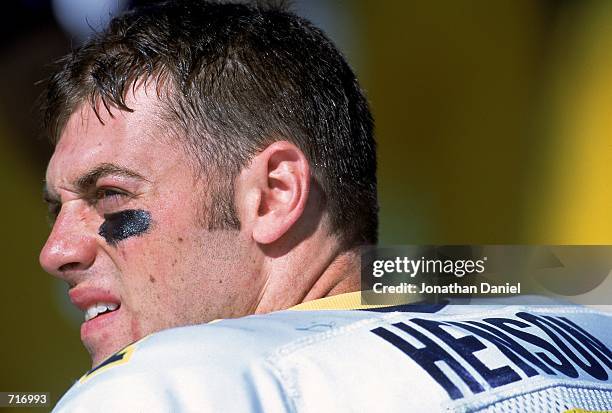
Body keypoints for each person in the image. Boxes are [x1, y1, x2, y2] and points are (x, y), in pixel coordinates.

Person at [39, 1, 612, 411]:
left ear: (275, 194)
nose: (55, 252)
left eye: (110, 194)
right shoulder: (587, 325)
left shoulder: (165, 388)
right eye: (55, 210)